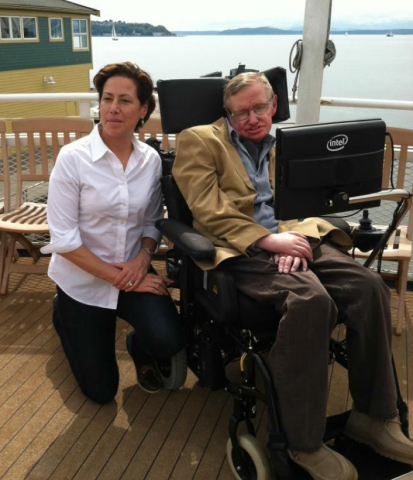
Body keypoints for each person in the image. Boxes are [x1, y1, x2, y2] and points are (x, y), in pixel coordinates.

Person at [172, 72, 413, 480]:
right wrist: (268, 243)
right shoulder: (199, 139)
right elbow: (207, 210)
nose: (252, 118)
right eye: (241, 112)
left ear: (274, 106)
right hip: (241, 247)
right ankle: (302, 442)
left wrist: (292, 238)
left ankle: (373, 416)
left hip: (296, 236)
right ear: (227, 114)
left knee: (369, 286)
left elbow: (306, 204)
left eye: (259, 108)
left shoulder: (286, 145)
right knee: (311, 301)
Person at [42, 62, 185, 403]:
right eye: (107, 99)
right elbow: (63, 240)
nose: (113, 108)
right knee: (102, 392)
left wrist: (143, 259)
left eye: (124, 100)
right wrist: (125, 279)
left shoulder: (150, 160)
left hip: (130, 270)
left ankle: (135, 344)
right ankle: (63, 312)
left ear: (143, 110)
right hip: (83, 283)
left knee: (170, 339)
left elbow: (152, 221)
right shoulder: (73, 159)